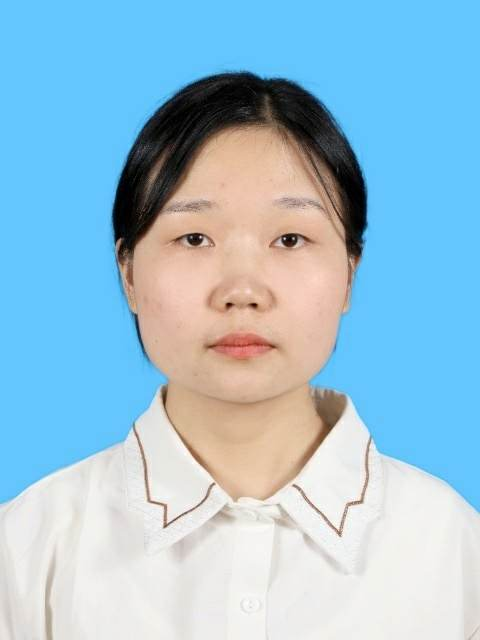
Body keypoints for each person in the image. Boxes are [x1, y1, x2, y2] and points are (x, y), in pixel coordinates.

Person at [1, 71, 479, 640]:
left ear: (350, 272)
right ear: (127, 272)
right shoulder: (29, 547)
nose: (243, 290)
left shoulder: (452, 547)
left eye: (290, 239)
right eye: (194, 238)